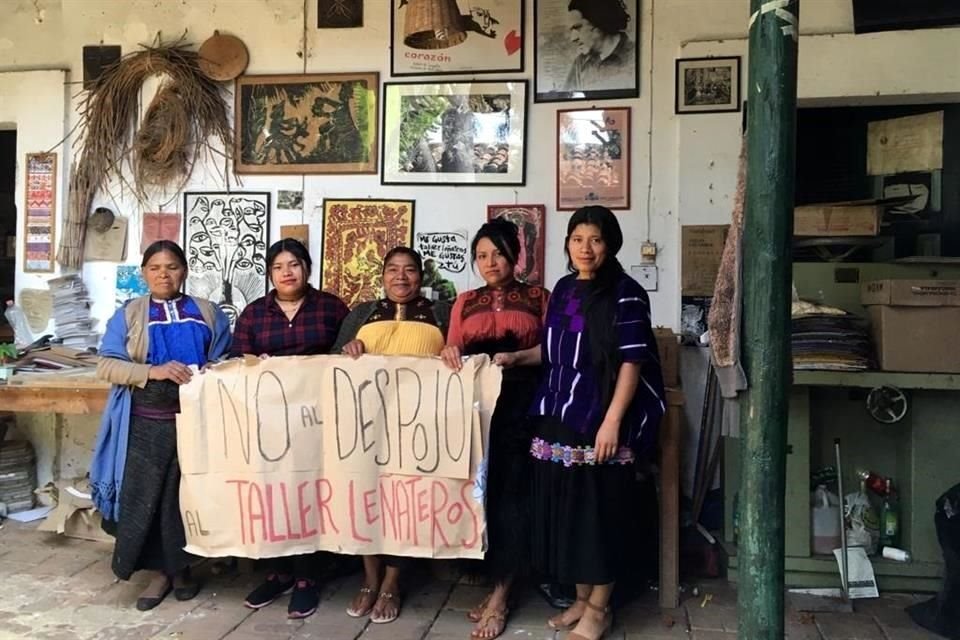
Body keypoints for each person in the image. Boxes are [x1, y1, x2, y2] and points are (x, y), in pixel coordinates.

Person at [497, 206, 664, 640]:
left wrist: (612, 421)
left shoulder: (625, 293)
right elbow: (555, 351)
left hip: (598, 418)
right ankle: (581, 598)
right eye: (577, 239)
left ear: (610, 244)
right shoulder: (564, 289)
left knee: (597, 516)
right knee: (568, 514)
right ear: (568, 244)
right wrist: (519, 356)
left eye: (595, 239)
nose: (584, 248)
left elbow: (632, 360)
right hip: (557, 412)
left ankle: (599, 609)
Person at [90, 240, 231, 611]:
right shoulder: (129, 315)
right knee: (147, 498)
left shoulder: (209, 312)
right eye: (155, 268)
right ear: (144, 274)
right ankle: (160, 574)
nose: (163, 274)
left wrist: (217, 368)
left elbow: (225, 359)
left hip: (196, 421)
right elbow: (106, 364)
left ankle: (182, 569)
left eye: (171, 267)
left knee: (183, 500)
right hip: (144, 424)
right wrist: (153, 370)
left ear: (184, 271)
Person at [440, 219, 548, 640]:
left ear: (515, 256)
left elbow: (556, 349)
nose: (490, 262)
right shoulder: (464, 301)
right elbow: (451, 349)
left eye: (498, 254)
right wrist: (450, 351)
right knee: (479, 493)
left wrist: (519, 358)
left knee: (513, 492)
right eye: (482, 255)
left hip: (523, 403)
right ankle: (492, 582)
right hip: (475, 407)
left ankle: (503, 594)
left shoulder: (540, 297)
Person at [231, 238, 350, 619]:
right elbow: (237, 364)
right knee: (274, 493)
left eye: (295, 264)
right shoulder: (253, 314)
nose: (287, 272)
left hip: (320, 420)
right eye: (279, 265)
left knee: (311, 492)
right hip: (269, 423)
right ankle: (279, 571)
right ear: (270, 272)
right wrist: (254, 364)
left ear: (307, 269)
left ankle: (307, 577)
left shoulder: (332, 308)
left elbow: (348, 356)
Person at [332, 246, 451, 624]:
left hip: (419, 426)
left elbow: (458, 357)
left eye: (410, 270)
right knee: (365, 496)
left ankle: (392, 581)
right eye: (393, 270)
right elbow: (332, 364)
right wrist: (350, 349)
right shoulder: (361, 313)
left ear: (422, 276)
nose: (402, 277)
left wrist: (452, 352)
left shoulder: (441, 313)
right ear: (381, 276)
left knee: (407, 499)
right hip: (365, 425)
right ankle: (370, 577)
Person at [564, 0, 636, 94]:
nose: (573, 38)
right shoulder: (579, 64)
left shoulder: (635, 57)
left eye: (578, 27)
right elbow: (567, 100)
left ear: (598, 20)